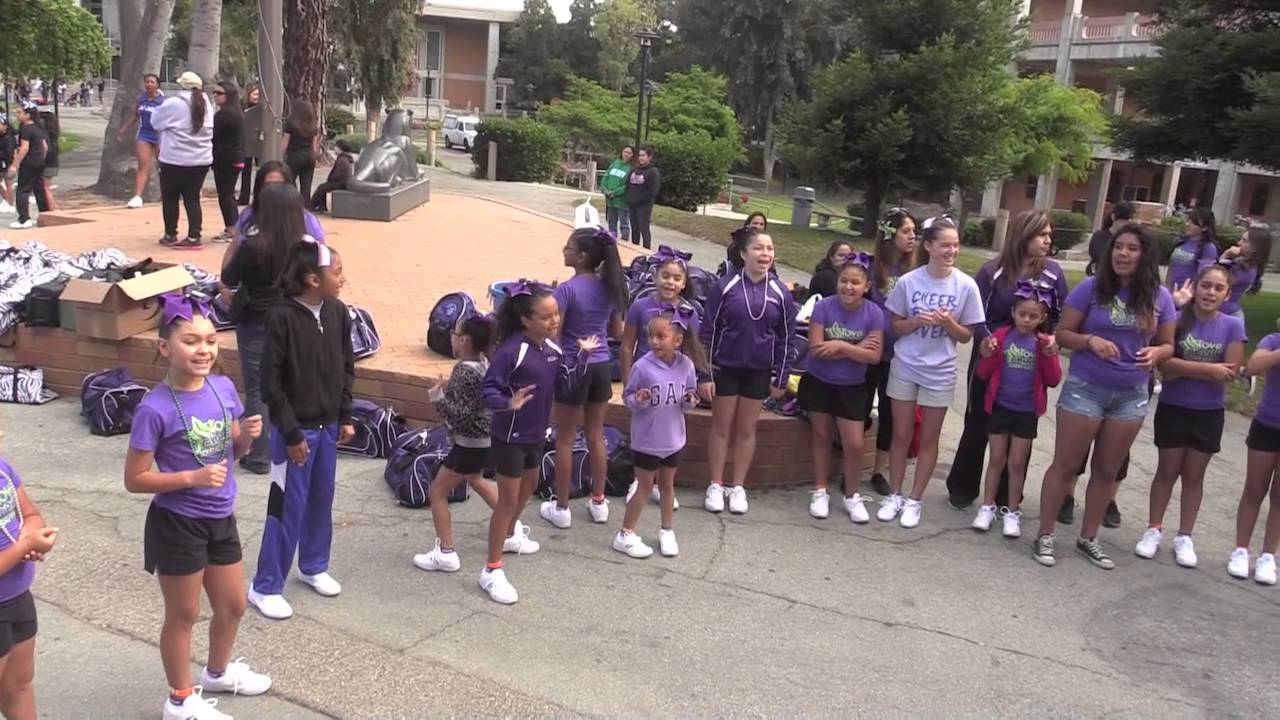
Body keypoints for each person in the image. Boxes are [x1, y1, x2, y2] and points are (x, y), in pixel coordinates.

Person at [124, 294, 272, 720]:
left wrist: (245, 436)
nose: (204, 349)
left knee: (232, 605)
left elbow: (234, 453)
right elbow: (135, 479)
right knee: (185, 613)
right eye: (191, 341)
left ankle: (217, 673)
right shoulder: (154, 409)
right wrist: (191, 478)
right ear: (165, 348)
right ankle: (179, 699)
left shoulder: (222, 388)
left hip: (220, 515)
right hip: (176, 522)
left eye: (210, 340)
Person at [1033, 223, 1176, 570]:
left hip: (1131, 395)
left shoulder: (1160, 297)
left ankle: (1088, 537)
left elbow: (1169, 345)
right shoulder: (1091, 288)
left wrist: (1158, 355)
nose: (1123, 254)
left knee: (1107, 470)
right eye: (1118, 247)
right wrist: (1090, 341)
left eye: (1132, 249)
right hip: (1087, 388)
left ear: (1145, 256)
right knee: (1066, 465)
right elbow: (1063, 334)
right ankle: (1045, 534)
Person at [248, 240, 355, 620]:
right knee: (285, 506)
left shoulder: (339, 312)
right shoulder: (282, 317)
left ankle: (313, 564)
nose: (343, 279)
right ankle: (266, 584)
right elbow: (271, 383)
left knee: (320, 501)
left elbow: (346, 366)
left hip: (327, 429)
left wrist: (345, 414)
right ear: (313, 278)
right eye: (337, 272)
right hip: (295, 433)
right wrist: (291, 433)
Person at [944, 210, 1069, 510]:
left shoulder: (1053, 273)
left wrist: (1052, 340)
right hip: (992, 356)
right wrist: (986, 340)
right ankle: (962, 486)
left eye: (1049, 235)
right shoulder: (992, 272)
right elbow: (974, 314)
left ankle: (1006, 497)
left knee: (1019, 428)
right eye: (1043, 235)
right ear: (1024, 235)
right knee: (978, 422)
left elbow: (1063, 314)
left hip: (1029, 363)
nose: (1048, 240)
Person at [480, 281, 595, 604]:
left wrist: (582, 359)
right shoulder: (510, 351)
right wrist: (508, 402)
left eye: (556, 314)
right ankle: (491, 569)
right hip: (509, 437)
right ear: (525, 320)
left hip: (536, 434)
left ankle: (508, 535)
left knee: (529, 486)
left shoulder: (553, 349)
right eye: (546, 317)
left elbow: (565, 385)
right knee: (507, 500)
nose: (555, 321)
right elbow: (488, 390)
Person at [877, 215, 984, 528]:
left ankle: (915, 499)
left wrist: (949, 323)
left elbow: (967, 335)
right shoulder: (910, 281)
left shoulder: (966, 285)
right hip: (906, 365)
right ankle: (895, 493)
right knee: (901, 433)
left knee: (929, 438)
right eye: (944, 245)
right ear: (928, 246)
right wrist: (916, 322)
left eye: (955, 245)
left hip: (940, 369)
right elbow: (893, 325)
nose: (951, 251)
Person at [1136, 265, 1245, 567]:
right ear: (1196, 288)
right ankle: (1153, 528)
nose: (1210, 292)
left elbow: (1230, 373)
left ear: (1227, 294)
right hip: (1174, 406)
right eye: (1205, 286)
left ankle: (1185, 536)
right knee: (1167, 471)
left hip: (1208, 412)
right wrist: (1207, 369)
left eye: (1218, 288)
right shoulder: (1179, 321)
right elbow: (1164, 368)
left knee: (1194, 476)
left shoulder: (1232, 327)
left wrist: (1186, 367)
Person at [413, 314, 528, 574]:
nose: (453, 339)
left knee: (438, 492)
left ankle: (446, 552)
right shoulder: (485, 364)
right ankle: (512, 527)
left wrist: (437, 396)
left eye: (455, 334)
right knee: (475, 479)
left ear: (463, 340)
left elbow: (460, 414)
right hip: (485, 440)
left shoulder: (464, 371)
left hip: (469, 443)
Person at [700, 231, 797, 515]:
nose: (765, 253)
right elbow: (708, 331)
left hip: (758, 371)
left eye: (770, 248)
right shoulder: (725, 286)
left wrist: (781, 377)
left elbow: (787, 339)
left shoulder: (781, 292)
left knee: (746, 430)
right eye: (758, 248)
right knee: (721, 427)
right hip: (725, 368)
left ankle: (737, 486)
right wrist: (705, 374)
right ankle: (716, 484)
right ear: (743, 254)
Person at [541, 227, 628, 528]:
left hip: (572, 366)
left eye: (568, 248)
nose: (563, 251)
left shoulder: (566, 290)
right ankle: (599, 501)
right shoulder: (609, 288)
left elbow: (554, 331)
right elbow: (617, 331)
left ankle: (562, 508)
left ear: (581, 256)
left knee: (564, 438)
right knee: (595, 434)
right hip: (602, 365)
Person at [220, 182, 309, 476]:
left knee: (258, 387)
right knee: (288, 382)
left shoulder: (253, 245)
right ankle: (292, 444)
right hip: (293, 321)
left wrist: (237, 242)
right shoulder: (306, 247)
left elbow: (228, 277)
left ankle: (258, 454)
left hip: (256, 322)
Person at [971, 281, 1062, 538]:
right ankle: (987, 506)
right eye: (1022, 314)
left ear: (1043, 317)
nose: (1026, 320)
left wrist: (1049, 355)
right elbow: (982, 374)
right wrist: (986, 355)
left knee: (1017, 463)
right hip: (1000, 407)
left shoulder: (1042, 343)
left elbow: (1053, 379)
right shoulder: (1000, 336)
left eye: (1033, 316)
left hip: (1026, 411)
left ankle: (1012, 511)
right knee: (996, 459)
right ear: (1013, 312)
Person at [614, 306, 706, 558]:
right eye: (651, 336)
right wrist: (640, 399)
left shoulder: (686, 365)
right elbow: (629, 399)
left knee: (667, 485)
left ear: (677, 340)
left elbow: (689, 398)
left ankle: (667, 530)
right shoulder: (642, 367)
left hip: (674, 438)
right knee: (644, 486)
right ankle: (625, 533)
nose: (654, 341)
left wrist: (690, 399)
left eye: (660, 336)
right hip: (647, 440)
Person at [801, 252, 885, 522]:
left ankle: (852, 495)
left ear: (867, 287)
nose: (848, 287)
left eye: (855, 283)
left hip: (852, 386)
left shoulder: (874, 313)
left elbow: (873, 357)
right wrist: (855, 348)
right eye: (844, 281)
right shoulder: (824, 307)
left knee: (854, 444)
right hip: (819, 381)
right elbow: (815, 349)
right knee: (822, 437)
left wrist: (837, 345)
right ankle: (821, 491)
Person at [864, 209, 918, 496]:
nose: (912, 237)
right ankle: (848, 457)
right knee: (859, 409)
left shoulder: (915, 272)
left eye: (914, 232)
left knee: (888, 411)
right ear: (890, 234)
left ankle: (878, 471)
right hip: (868, 349)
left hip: (897, 355)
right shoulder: (871, 267)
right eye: (906, 231)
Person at [0, 450, 56, 720]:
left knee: (19, 686)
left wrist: (31, 533)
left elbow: (32, 514)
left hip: (17, 598)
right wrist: (24, 546)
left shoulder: (3, 471)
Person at [1229, 327, 1280, 585]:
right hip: (1267, 424)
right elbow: (1253, 367)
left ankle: (1269, 555)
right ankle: (1241, 549)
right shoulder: (1272, 340)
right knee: (1254, 489)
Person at [149, 71, 213, 249]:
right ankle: (194, 236)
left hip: (174, 159)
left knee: (170, 197)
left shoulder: (173, 103)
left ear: (181, 86)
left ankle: (170, 234)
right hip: (200, 159)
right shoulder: (207, 103)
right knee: (192, 199)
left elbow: (156, 122)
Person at [231, 161, 326, 246]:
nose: (274, 190)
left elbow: (323, 254)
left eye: (280, 185)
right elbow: (233, 252)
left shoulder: (305, 218)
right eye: (268, 186)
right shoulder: (248, 215)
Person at [118, 74, 165, 210]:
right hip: (144, 134)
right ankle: (137, 196)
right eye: (147, 82)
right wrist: (124, 129)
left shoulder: (163, 101)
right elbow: (135, 116)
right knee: (143, 165)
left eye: (152, 82)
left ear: (157, 85)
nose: (149, 84)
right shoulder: (142, 99)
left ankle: (168, 193)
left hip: (159, 135)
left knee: (163, 166)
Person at [210, 81, 245, 243]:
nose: (215, 96)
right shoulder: (236, 112)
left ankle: (231, 228)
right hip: (235, 157)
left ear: (228, 95)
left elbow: (212, 134)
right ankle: (234, 226)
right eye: (214, 93)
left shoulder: (225, 115)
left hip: (226, 159)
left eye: (219, 93)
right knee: (228, 194)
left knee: (225, 195)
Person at [7, 102, 47, 231]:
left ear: (28, 115)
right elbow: (44, 147)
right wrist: (41, 159)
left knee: (22, 190)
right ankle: (45, 215)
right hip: (39, 161)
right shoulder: (37, 128)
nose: (16, 115)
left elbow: (24, 148)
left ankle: (24, 219)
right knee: (39, 189)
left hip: (29, 162)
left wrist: (15, 164)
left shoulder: (25, 129)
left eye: (19, 113)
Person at [1219, 224, 1272, 321]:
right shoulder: (1239, 261)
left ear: (1255, 248)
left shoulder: (1249, 270)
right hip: (1219, 311)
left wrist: (1226, 256)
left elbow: (1220, 279)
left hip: (1228, 315)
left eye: (1244, 241)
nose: (1239, 243)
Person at [1166, 207, 1219, 290]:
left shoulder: (1208, 247)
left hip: (1189, 294)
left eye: (1193, 223)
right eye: (1188, 221)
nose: (1187, 224)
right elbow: (1171, 267)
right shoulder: (1181, 242)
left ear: (1204, 228)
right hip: (1171, 290)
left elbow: (1204, 276)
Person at [281, 97, 319, 200]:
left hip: (294, 155)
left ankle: (294, 202)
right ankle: (305, 209)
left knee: (289, 180)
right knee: (306, 187)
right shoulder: (312, 125)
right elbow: (314, 146)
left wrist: (280, 155)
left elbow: (285, 142)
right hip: (309, 156)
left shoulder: (290, 123)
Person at [1086, 202, 1134, 277]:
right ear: (1113, 217)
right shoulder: (1100, 236)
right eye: (1123, 220)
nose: (1125, 224)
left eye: (1128, 221)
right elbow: (1098, 256)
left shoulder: (1131, 238)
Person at [625, 146, 661, 249]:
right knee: (634, 229)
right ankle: (634, 249)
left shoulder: (653, 171)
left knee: (643, 229)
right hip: (632, 205)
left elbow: (653, 190)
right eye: (640, 155)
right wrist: (629, 198)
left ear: (649, 157)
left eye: (643, 155)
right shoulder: (634, 169)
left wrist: (639, 199)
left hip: (644, 206)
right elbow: (628, 184)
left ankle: (646, 251)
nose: (641, 158)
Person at [600, 146, 633, 242]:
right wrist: (605, 190)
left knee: (624, 224)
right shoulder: (615, 163)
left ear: (632, 155)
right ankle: (611, 242)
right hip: (610, 200)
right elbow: (606, 177)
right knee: (611, 223)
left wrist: (615, 193)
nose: (626, 154)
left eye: (629, 153)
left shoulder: (631, 168)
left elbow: (627, 185)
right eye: (625, 152)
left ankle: (625, 243)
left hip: (622, 202)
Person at [237, 84, 262, 205]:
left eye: (258, 94)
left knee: (261, 170)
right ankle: (244, 196)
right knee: (245, 171)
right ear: (248, 94)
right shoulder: (241, 107)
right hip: (246, 141)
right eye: (254, 94)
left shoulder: (263, 108)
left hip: (259, 142)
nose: (257, 97)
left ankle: (258, 196)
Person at [35, 109, 57, 212]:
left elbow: (45, 148)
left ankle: (51, 210)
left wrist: (40, 160)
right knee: (47, 187)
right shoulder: (53, 133)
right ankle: (53, 208)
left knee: (45, 188)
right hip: (53, 162)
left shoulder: (44, 133)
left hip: (47, 162)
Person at [0, 115, 17, 215]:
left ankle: (10, 203)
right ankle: (6, 200)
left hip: (6, 163)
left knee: (8, 183)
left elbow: (10, 153)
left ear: (5, 126)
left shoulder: (8, 138)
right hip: (2, 163)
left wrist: (12, 165)